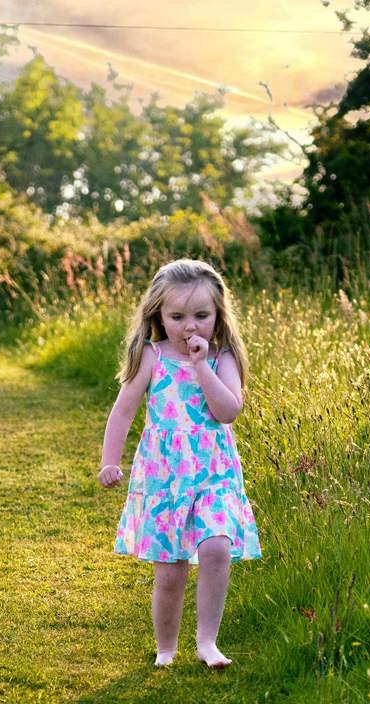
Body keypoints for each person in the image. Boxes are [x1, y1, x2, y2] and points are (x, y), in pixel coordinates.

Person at [99, 259, 262, 668]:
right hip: (165, 475)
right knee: (170, 571)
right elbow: (123, 411)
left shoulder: (223, 358)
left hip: (214, 471)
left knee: (216, 549)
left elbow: (227, 411)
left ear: (217, 315)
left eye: (201, 316)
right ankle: (166, 650)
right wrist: (109, 461)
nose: (190, 326)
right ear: (158, 315)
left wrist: (201, 366)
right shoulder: (152, 356)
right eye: (178, 316)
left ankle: (207, 642)